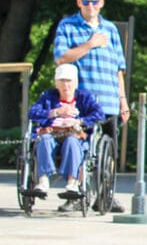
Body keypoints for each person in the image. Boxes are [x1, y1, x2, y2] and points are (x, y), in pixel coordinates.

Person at [53, 0, 130, 212]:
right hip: (81, 101)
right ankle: (75, 194)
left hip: (108, 100)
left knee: (108, 155)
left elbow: (119, 68)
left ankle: (106, 195)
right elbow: (61, 58)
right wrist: (89, 44)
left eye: (94, 1)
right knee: (77, 145)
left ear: (102, 2)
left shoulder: (111, 29)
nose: (90, 6)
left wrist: (123, 99)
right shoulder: (67, 26)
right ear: (78, 2)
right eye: (85, 1)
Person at [25, 65, 106, 212]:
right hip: (52, 132)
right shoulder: (48, 97)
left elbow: (99, 114)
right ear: (56, 83)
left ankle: (72, 183)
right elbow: (32, 112)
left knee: (72, 141)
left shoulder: (84, 97)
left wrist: (80, 121)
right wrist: (56, 112)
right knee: (43, 139)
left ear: (75, 82)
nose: (65, 85)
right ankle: (43, 182)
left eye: (68, 81)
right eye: (61, 81)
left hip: (73, 134)